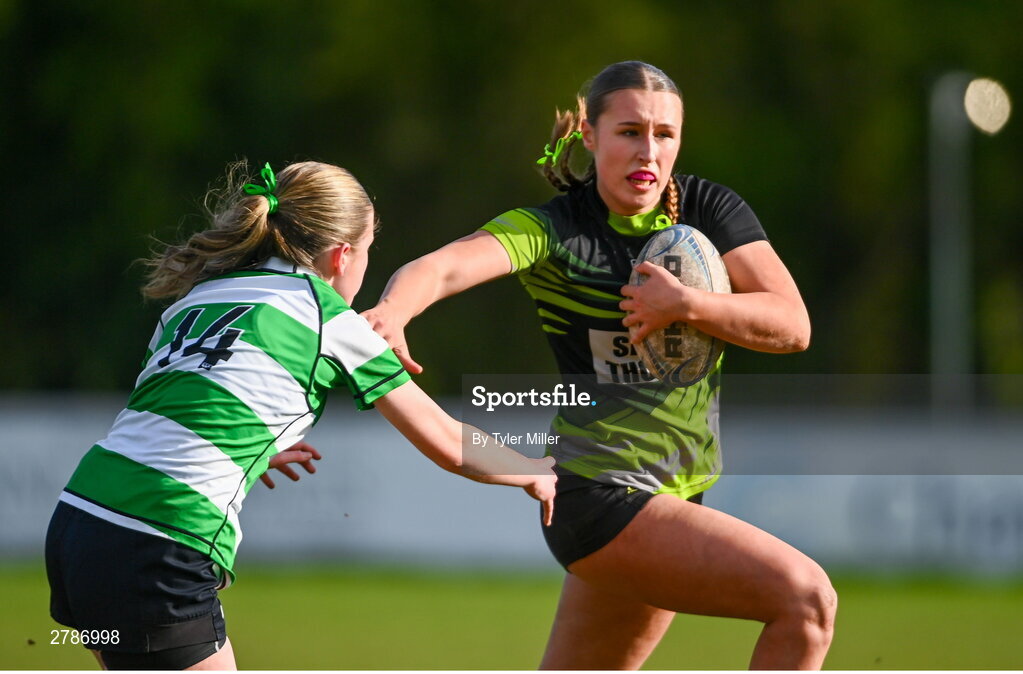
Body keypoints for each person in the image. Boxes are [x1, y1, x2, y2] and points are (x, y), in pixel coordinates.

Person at [364, 61, 836, 669]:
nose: (649, 150)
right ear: (589, 134)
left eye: (664, 134)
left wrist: (686, 304)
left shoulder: (709, 212)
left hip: (672, 497)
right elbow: (445, 266)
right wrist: (394, 311)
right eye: (630, 131)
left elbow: (792, 327)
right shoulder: (555, 231)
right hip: (597, 497)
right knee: (806, 600)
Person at [44, 160, 557, 671]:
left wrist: (253, 447)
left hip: (78, 527)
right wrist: (534, 472)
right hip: (159, 542)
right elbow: (446, 441)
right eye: (369, 253)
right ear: (342, 255)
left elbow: (174, 407)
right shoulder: (325, 315)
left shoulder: (201, 297)